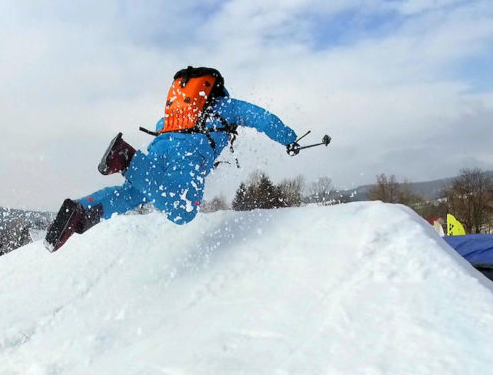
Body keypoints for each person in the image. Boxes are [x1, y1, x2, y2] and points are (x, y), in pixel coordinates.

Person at [45, 66, 302, 252]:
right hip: (189, 155)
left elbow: (162, 130)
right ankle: (126, 159)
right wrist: (290, 139)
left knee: (135, 193)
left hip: (159, 149)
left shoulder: (176, 115)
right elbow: (264, 119)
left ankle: (83, 210)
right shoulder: (229, 106)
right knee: (183, 209)